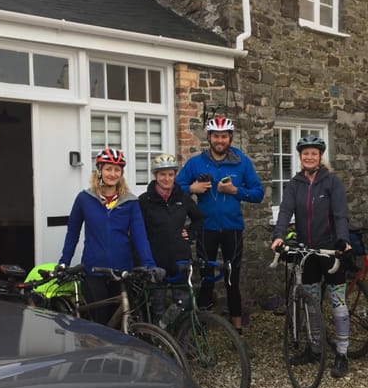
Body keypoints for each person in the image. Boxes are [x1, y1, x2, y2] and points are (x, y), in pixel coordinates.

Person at [271, 134, 352, 378]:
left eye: (313, 153)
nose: (309, 157)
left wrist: (343, 240)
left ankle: (342, 354)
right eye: (305, 153)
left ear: (320, 156)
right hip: (306, 252)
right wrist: (278, 235)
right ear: (300, 157)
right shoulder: (294, 184)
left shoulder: (331, 182)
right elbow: (285, 211)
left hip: (330, 250)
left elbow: (340, 214)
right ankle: (315, 348)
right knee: (311, 303)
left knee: (338, 304)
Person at [176, 116, 264, 336]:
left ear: (230, 138)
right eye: (216, 136)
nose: (220, 140)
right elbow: (175, 189)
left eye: (224, 136)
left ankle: (237, 327)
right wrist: (192, 188)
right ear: (209, 137)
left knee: (232, 278)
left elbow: (258, 193)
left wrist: (236, 191)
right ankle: (202, 326)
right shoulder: (196, 163)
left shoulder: (241, 161)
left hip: (233, 229)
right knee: (206, 278)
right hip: (206, 229)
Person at [59, 147, 157, 325]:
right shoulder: (84, 199)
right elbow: (72, 232)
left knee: (120, 323)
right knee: (99, 324)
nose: (112, 174)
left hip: (121, 272)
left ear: (122, 173)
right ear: (99, 171)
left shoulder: (130, 202)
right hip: (94, 270)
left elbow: (140, 236)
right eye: (108, 169)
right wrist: (64, 261)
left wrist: (149, 265)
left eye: (117, 169)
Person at [139, 154, 204, 324]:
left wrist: (191, 234)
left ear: (175, 175)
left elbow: (199, 219)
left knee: (182, 305)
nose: (167, 179)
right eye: (162, 174)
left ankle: (179, 343)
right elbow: (137, 231)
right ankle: (158, 341)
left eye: (170, 174)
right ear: (155, 176)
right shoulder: (145, 201)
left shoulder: (182, 198)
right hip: (156, 262)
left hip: (180, 259)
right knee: (157, 307)